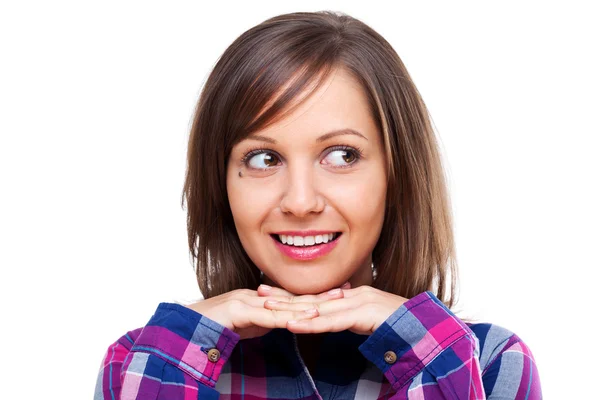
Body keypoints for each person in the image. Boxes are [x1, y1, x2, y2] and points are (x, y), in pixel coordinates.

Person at [94, 11, 542, 399]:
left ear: (396, 174)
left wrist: (423, 346)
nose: (301, 202)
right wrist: (179, 351)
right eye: (264, 159)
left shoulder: (488, 366)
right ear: (221, 184)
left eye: (342, 155)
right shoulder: (144, 364)